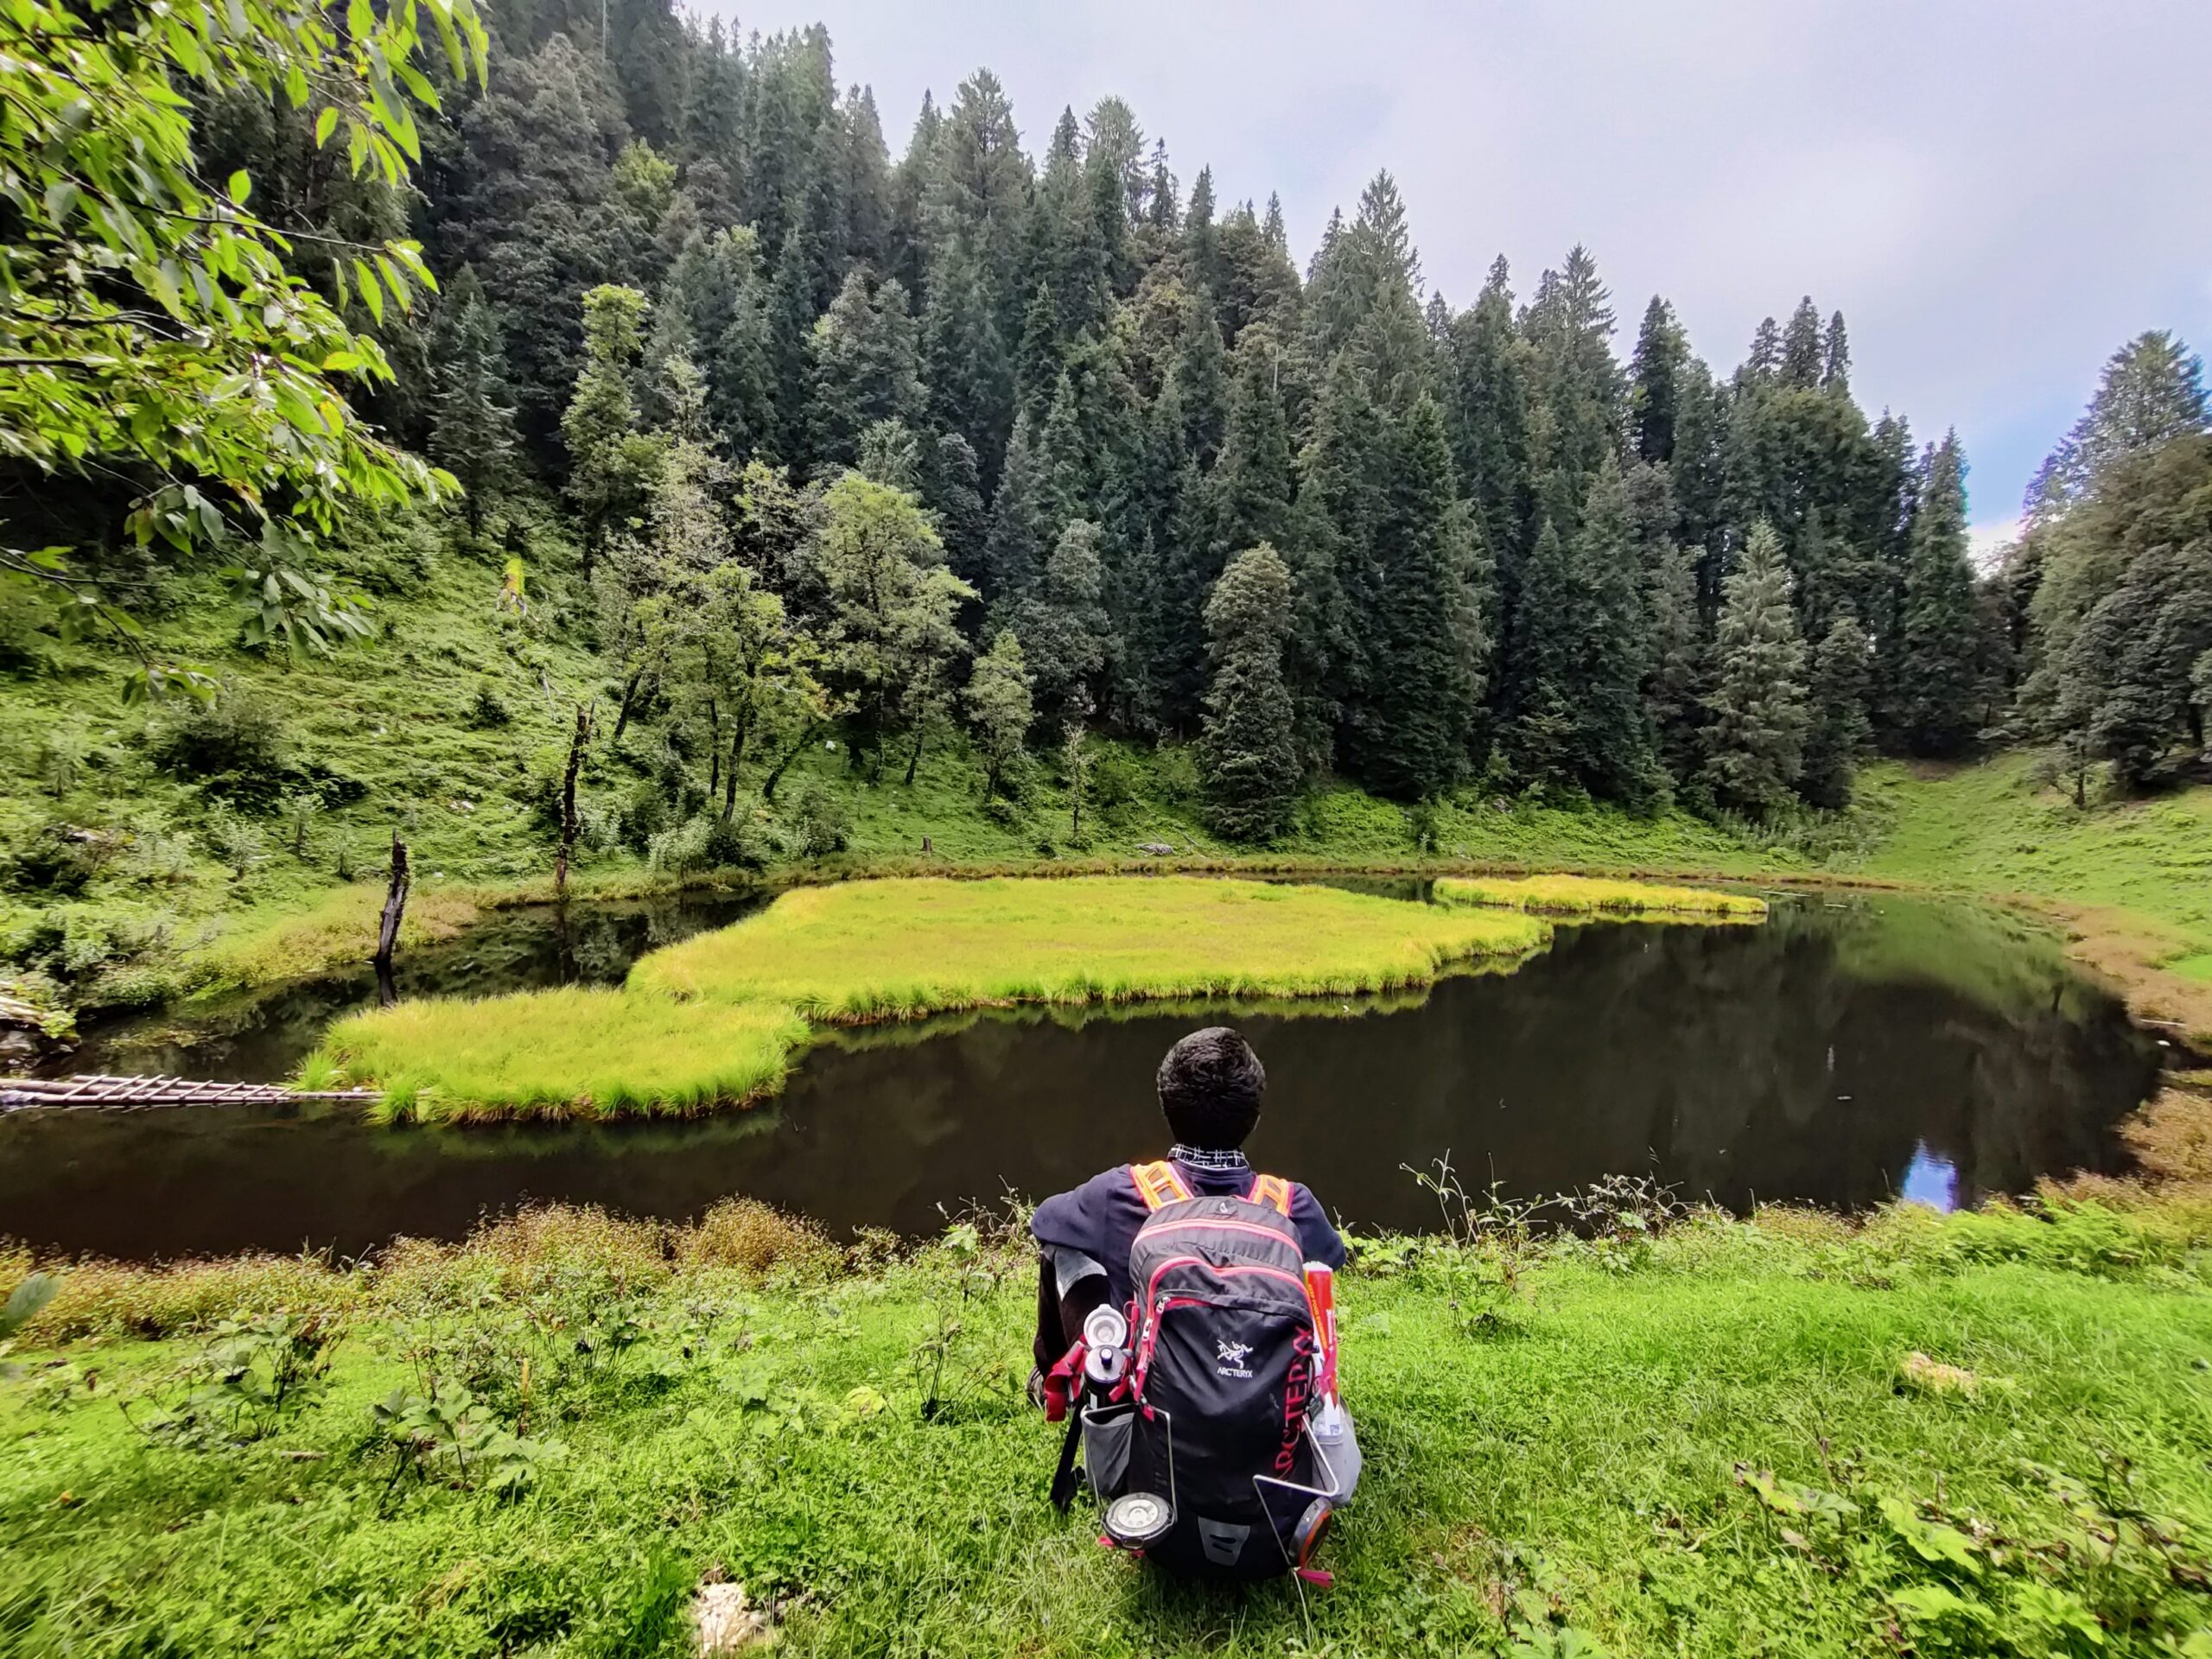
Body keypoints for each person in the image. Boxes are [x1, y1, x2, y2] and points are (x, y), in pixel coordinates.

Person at [1027, 1025, 1345, 1397]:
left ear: (1165, 1105)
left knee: (1060, 1248)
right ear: (1255, 1117)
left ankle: (1051, 1380)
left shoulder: (1118, 1194)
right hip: (1267, 1404)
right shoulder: (1292, 1204)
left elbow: (1045, 1221)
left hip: (1148, 1399)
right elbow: (1331, 1256)